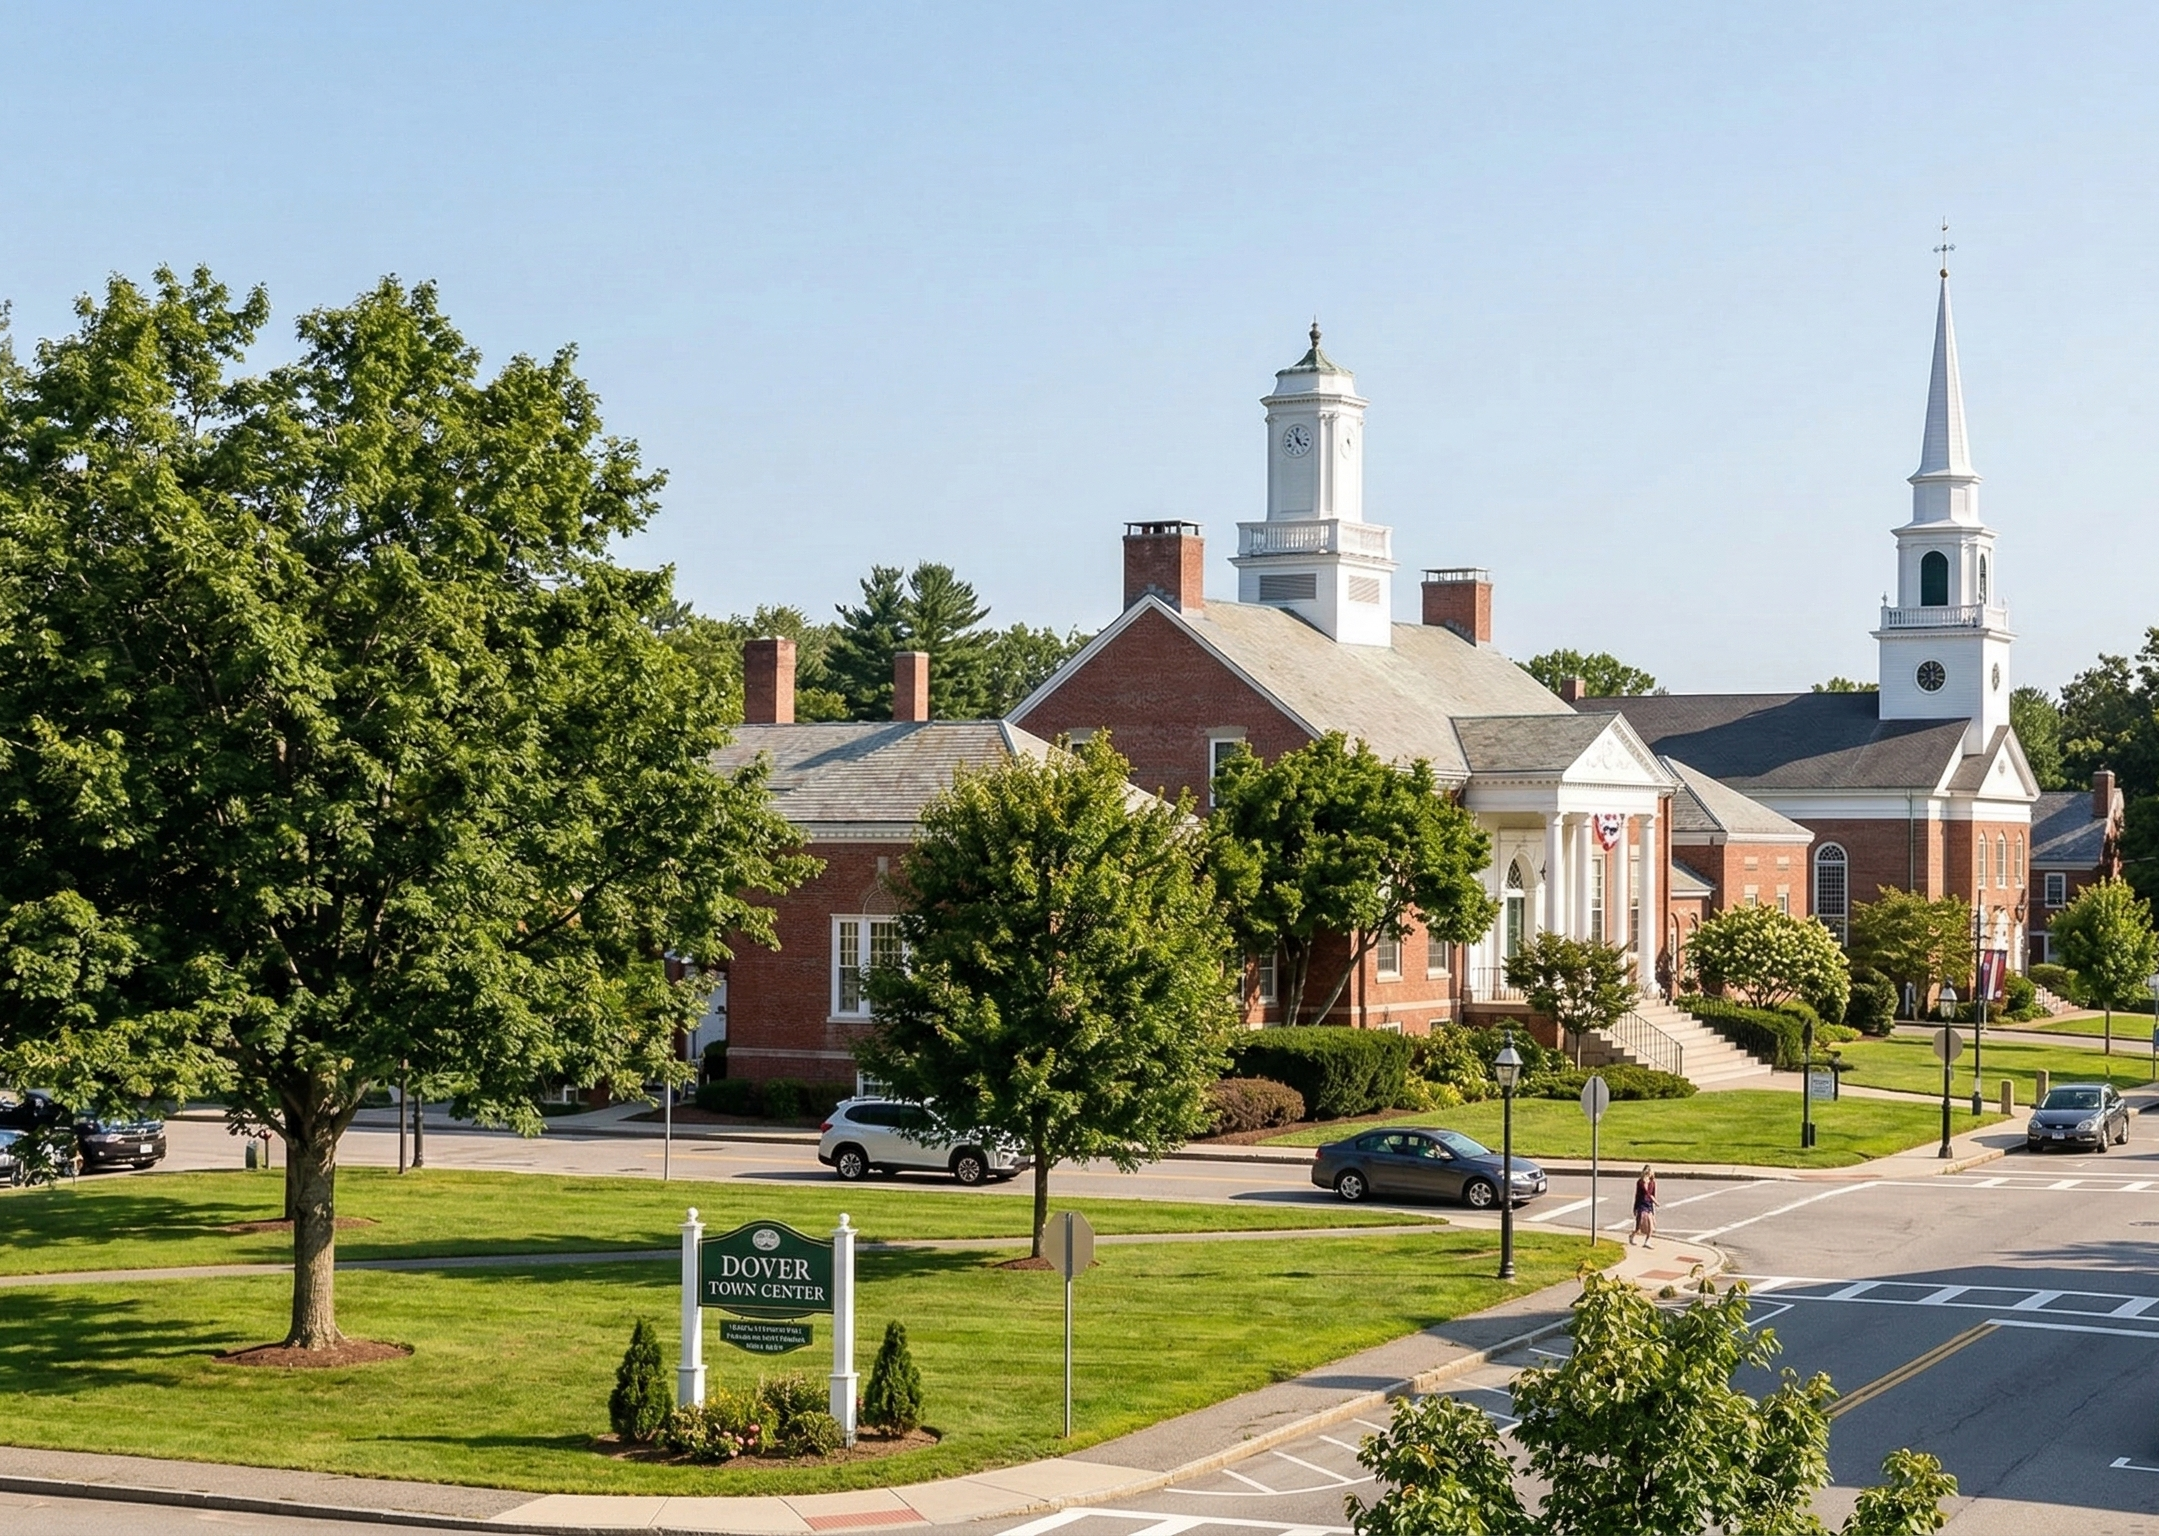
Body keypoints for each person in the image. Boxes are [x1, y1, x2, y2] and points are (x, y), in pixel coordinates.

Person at [1630, 1165, 1658, 1247]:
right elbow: (1637, 1195)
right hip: (1641, 1205)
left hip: (1649, 1205)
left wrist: (1654, 1203)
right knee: (1639, 1226)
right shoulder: (1640, 1183)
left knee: (1651, 1225)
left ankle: (1647, 1241)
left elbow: (1653, 1194)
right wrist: (1635, 1208)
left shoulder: (1652, 1183)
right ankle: (1632, 1236)